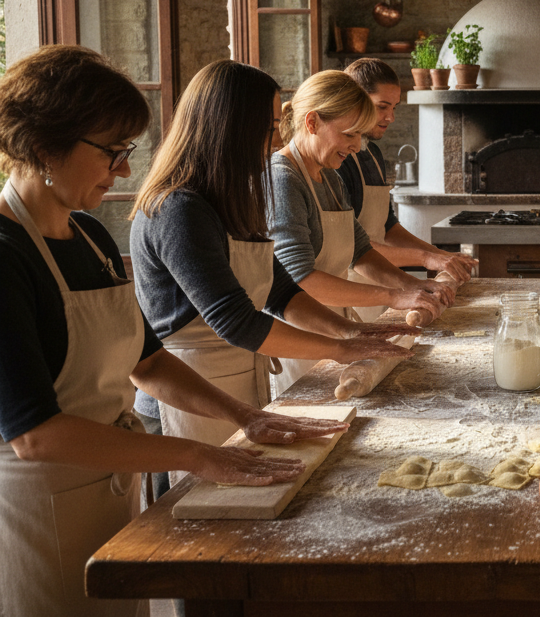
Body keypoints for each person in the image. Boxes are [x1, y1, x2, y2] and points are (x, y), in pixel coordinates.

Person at [0, 46, 342, 617]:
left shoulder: (90, 237)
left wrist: (245, 417)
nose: (124, 170)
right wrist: (196, 456)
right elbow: (36, 434)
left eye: (127, 151)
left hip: (112, 492)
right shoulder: (7, 255)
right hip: (40, 512)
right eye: (111, 152)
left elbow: (149, 362)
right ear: (43, 147)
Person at [130, 60, 414, 459]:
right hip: (184, 400)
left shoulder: (233, 198)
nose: (273, 140)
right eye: (267, 129)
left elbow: (281, 292)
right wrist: (337, 348)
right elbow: (235, 320)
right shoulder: (178, 208)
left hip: (240, 384)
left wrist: (350, 333)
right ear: (229, 128)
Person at [268, 71, 448, 394]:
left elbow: (361, 252)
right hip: (302, 340)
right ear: (312, 122)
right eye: (350, 134)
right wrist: (394, 296)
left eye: (360, 135)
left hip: (340, 329)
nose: (355, 147)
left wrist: (413, 285)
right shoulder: (283, 179)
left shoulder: (330, 178)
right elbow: (301, 279)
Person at [339, 58, 477, 320]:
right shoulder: (340, 161)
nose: (390, 117)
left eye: (394, 107)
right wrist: (427, 259)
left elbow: (388, 228)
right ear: (355, 100)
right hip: (352, 289)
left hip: (382, 286)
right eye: (382, 107)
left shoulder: (373, 154)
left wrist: (441, 256)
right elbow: (354, 249)